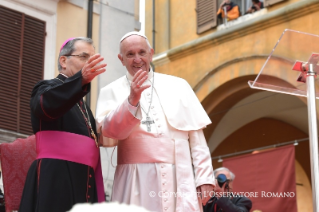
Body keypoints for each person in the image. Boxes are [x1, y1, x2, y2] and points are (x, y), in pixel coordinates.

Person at [96, 31, 215, 212]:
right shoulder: (110, 91)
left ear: (151, 53)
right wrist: (131, 100)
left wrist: (204, 178)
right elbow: (111, 132)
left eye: (142, 53)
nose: (137, 59)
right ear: (121, 59)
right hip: (133, 178)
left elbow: (197, 138)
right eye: (130, 54)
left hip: (178, 175)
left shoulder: (179, 85)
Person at [19, 37, 107, 212]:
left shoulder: (83, 106)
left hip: (84, 178)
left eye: (92, 58)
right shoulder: (46, 87)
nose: (89, 63)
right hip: (55, 177)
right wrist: (81, 80)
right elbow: (45, 105)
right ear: (63, 60)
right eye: (84, 57)